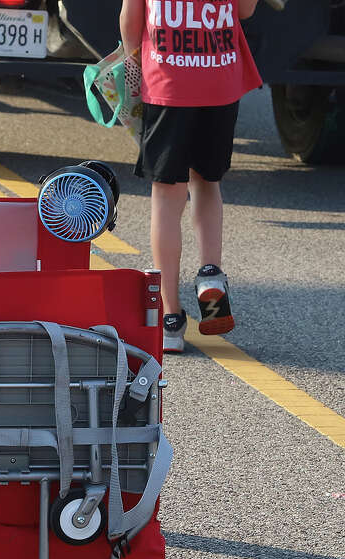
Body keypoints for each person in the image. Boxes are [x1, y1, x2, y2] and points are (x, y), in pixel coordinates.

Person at [120, 0, 261, 353]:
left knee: (167, 197)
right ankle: (210, 276)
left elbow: (131, 19)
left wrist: (132, 61)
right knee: (207, 182)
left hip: (168, 81)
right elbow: (245, 10)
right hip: (219, 80)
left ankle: (170, 319)